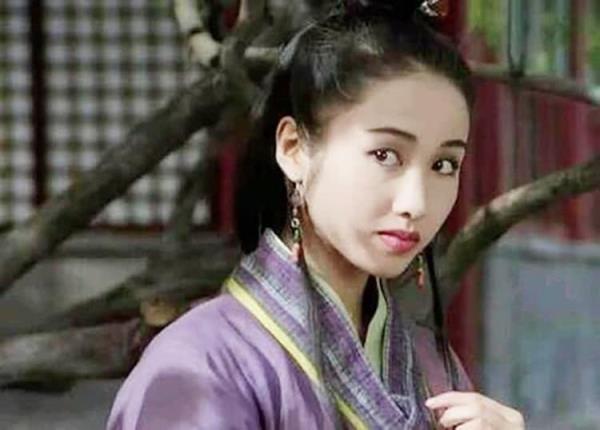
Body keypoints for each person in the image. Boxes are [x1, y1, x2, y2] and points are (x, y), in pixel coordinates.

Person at [107, 0, 525, 428]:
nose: (416, 202)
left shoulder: (430, 365)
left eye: (444, 165)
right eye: (385, 155)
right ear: (293, 149)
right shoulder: (200, 366)